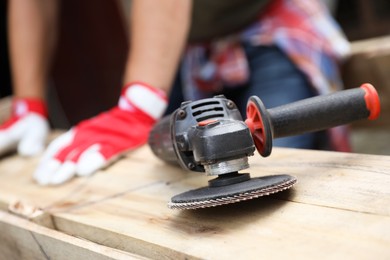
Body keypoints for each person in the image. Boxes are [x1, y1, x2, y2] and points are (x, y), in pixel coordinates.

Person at [0, 0, 350, 185]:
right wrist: (28, 102)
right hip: (184, 46)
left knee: (277, 163)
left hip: (267, 23)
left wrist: (139, 105)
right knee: (164, 166)